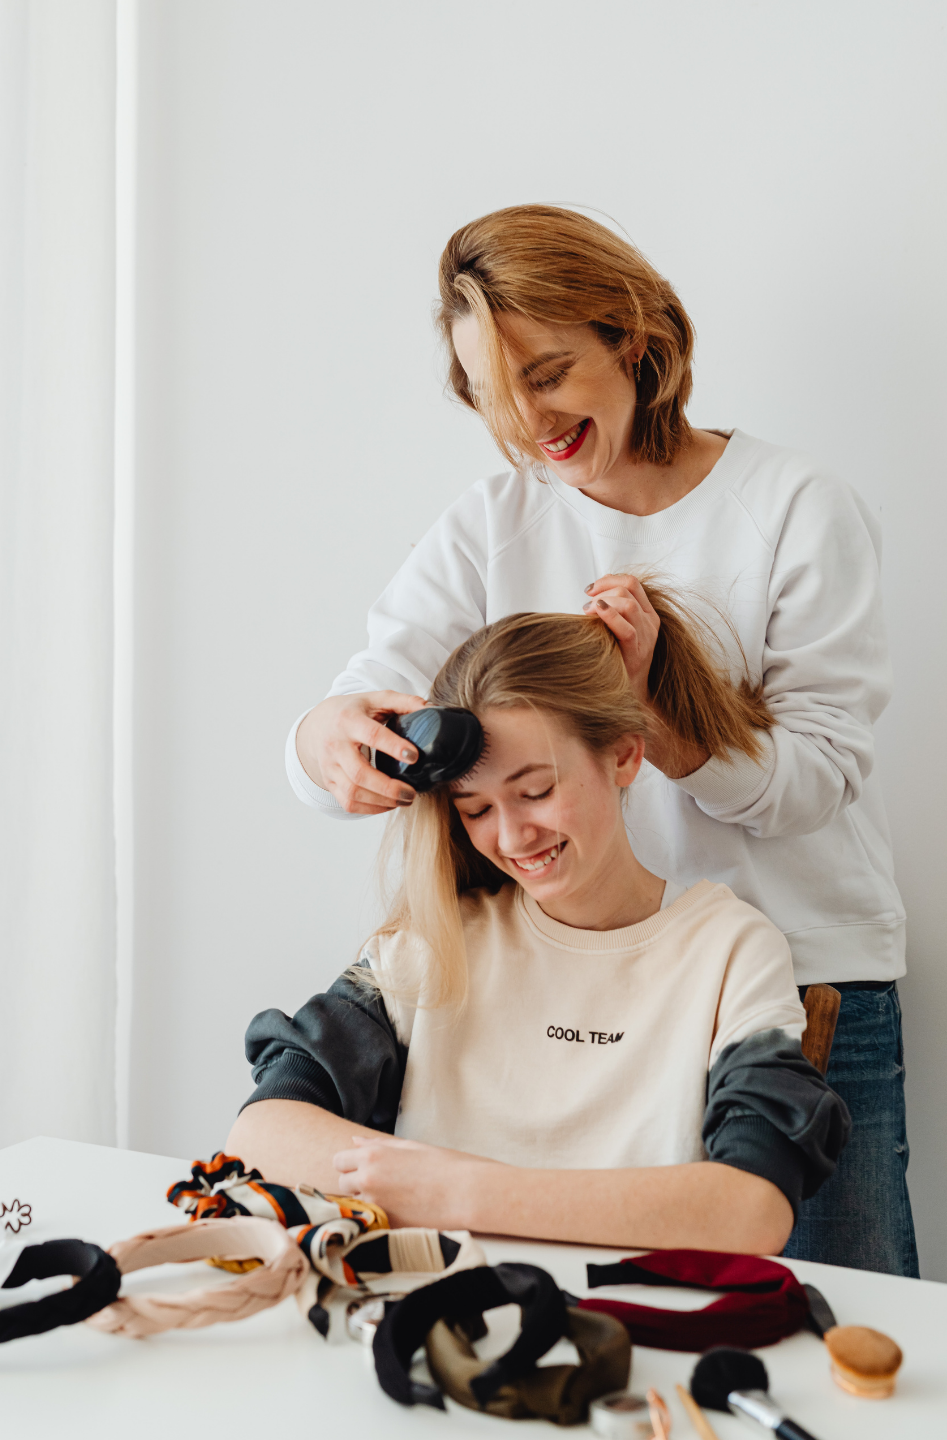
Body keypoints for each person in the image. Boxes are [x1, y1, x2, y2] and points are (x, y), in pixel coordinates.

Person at [285, 205, 914, 1275]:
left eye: (547, 374)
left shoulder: (795, 508)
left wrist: (662, 723)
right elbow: (365, 687)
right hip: (588, 980)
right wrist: (327, 738)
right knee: (609, 1303)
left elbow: (820, 776)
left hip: (803, 979)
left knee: (839, 1312)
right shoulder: (494, 522)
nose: (529, 423)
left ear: (633, 337)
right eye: (492, 397)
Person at [230, 603, 849, 1253]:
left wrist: (460, 1192)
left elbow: (751, 1210)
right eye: (476, 808)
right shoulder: (437, 941)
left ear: (625, 756)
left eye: (536, 791)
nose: (512, 836)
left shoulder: (729, 950)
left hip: (630, 1329)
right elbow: (261, 1135)